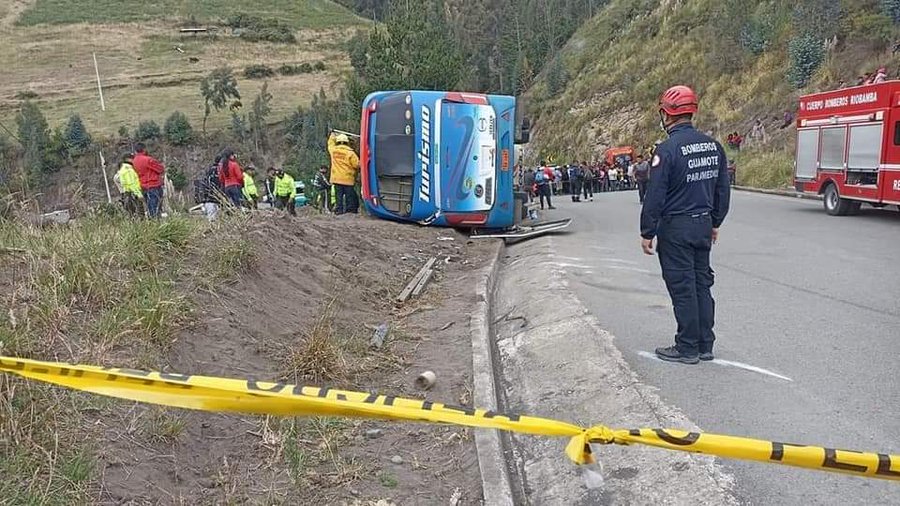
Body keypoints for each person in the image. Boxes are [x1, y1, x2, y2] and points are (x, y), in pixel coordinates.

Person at [640, 85, 731, 365]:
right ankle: (705, 343)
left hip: (676, 227)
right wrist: (715, 222)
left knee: (683, 287)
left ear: (666, 114)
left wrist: (647, 231)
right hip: (703, 225)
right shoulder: (713, 146)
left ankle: (687, 346)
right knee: (702, 284)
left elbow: (655, 194)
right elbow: (722, 190)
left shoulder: (666, 151)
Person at [328, 132, 360, 214]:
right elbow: (357, 165)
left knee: (339, 196)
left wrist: (332, 135)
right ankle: (350, 211)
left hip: (336, 178)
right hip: (348, 179)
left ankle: (339, 210)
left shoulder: (333, 151)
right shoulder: (350, 153)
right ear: (347, 142)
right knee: (349, 196)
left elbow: (330, 143)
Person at [132, 143, 165, 218]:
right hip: (153, 185)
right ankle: (156, 224)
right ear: (144, 149)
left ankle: (152, 223)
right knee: (155, 208)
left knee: (149, 207)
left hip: (143, 186)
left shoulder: (134, 161)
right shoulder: (148, 160)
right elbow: (160, 169)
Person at [194, 156, 224, 222]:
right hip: (213, 197)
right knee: (213, 216)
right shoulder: (215, 170)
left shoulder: (210, 170)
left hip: (211, 197)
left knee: (213, 216)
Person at [114, 153, 143, 217]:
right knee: (139, 214)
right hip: (132, 194)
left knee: (131, 214)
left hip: (127, 194)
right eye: (132, 158)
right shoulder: (128, 170)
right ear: (128, 159)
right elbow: (131, 183)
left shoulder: (123, 169)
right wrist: (139, 194)